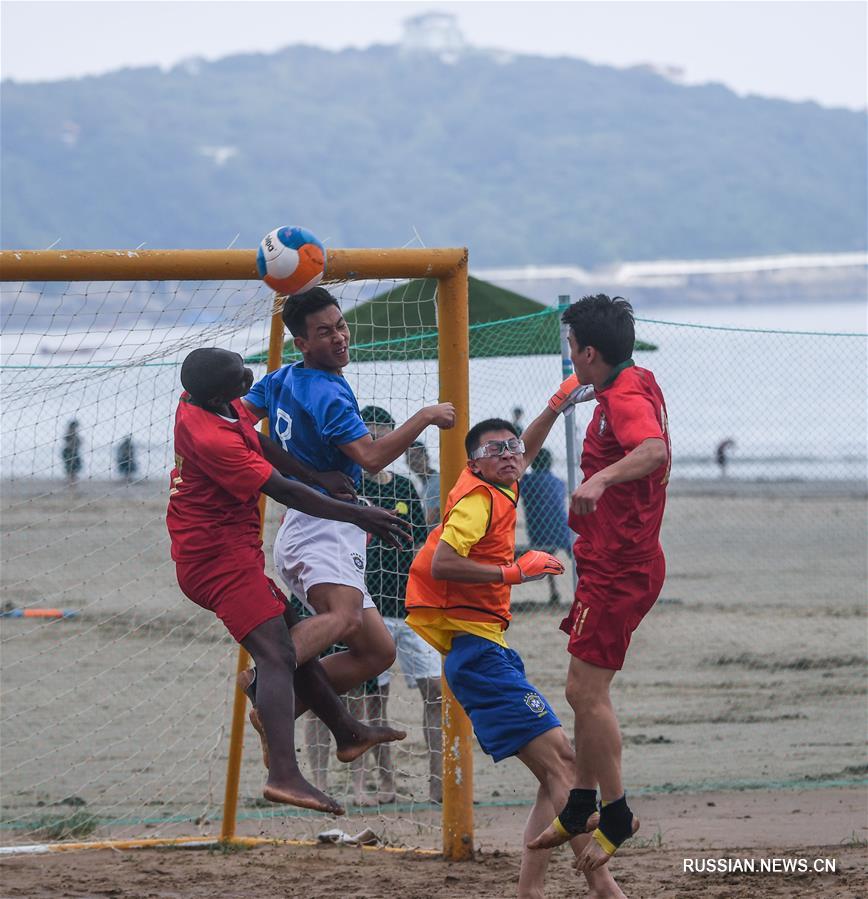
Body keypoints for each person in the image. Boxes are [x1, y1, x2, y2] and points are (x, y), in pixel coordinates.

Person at [166, 347, 409, 815]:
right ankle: (284, 774)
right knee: (277, 655)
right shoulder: (212, 438)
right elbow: (285, 491)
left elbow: (263, 444)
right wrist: (359, 513)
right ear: (222, 391)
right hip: (215, 561)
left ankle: (348, 731)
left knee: (291, 634)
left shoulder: (205, 401)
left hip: (232, 552)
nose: (251, 375)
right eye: (243, 375)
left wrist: (318, 474)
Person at [405, 390, 627, 899]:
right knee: (567, 771)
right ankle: (606, 889)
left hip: (486, 652)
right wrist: (515, 572)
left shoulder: (496, 480)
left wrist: (554, 406)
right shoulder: (478, 502)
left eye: (512, 447)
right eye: (495, 450)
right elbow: (441, 563)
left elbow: (520, 447)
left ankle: (529, 893)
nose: (508, 454)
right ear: (473, 463)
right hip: (479, 658)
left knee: (555, 774)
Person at [240, 287, 455, 699]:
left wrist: (304, 472)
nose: (339, 337)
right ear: (301, 343)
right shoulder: (328, 393)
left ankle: (285, 709)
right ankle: (264, 678)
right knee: (344, 619)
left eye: (341, 326)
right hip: (323, 527)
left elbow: (236, 422)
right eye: (324, 333)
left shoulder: (279, 378)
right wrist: (426, 415)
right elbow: (371, 458)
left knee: (377, 652)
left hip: (308, 523)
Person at [528, 294, 670, 875]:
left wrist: (602, 479)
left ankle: (616, 814)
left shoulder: (627, 394)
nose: (568, 357)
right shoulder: (629, 380)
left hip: (621, 569)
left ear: (588, 352)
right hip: (610, 563)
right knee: (579, 691)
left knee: (586, 693)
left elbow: (654, 450)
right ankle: (583, 801)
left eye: (570, 349)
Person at [359, 406, 443, 805]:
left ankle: (439, 782)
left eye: (386, 437)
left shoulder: (406, 488)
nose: (381, 445)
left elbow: (420, 544)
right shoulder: (350, 486)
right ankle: (387, 782)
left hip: (409, 607)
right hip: (367, 609)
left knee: (435, 691)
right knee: (376, 699)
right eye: (372, 437)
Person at [519, 447, 572, 604]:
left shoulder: (527, 481)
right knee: (569, 556)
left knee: (546, 557)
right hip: (562, 530)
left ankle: (554, 592)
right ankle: (573, 588)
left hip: (539, 532)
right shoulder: (559, 482)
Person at [405, 440, 441, 528]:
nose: (414, 461)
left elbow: (430, 519)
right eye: (410, 457)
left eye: (417, 456)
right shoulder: (422, 486)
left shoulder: (437, 482)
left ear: (427, 457)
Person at [61, 419, 83, 486]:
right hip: (69, 452)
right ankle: (71, 482)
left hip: (73, 452)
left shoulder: (73, 433)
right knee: (71, 468)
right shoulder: (70, 433)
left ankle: (72, 482)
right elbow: (69, 441)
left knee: (74, 468)